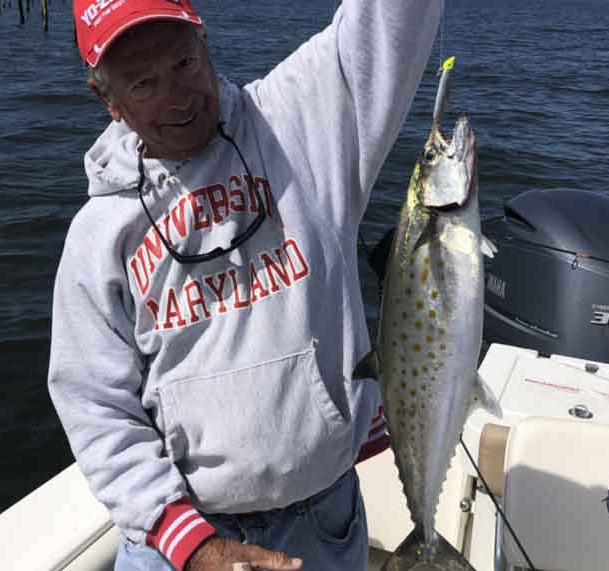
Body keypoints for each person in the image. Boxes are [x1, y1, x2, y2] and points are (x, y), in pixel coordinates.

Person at [48, 0, 441, 570]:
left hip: (322, 522)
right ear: (107, 100)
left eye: (184, 64)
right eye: (144, 84)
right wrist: (195, 547)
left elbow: (391, 18)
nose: (178, 97)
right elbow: (95, 406)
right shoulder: (98, 237)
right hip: (183, 541)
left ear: (205, 43)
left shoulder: (298, 124)